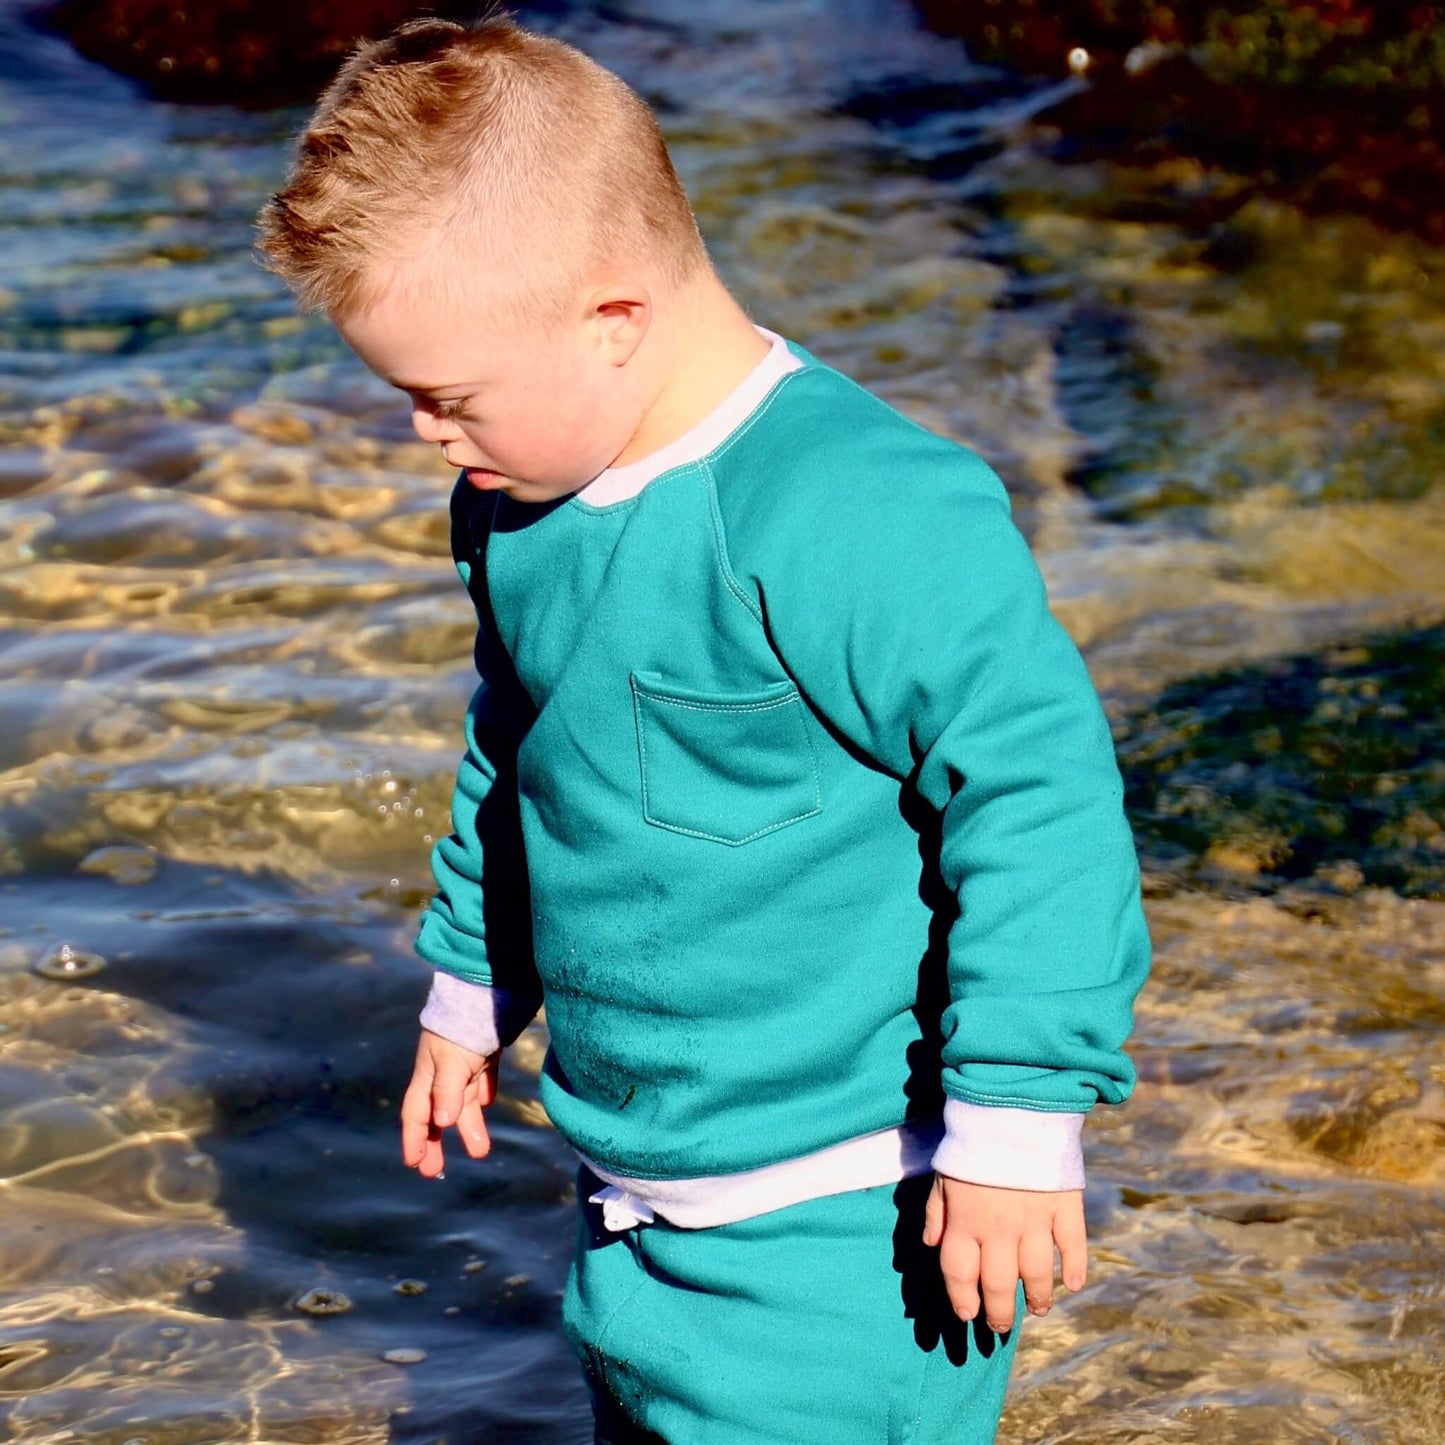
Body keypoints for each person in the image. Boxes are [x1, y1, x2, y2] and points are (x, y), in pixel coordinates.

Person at [256, 14, 1152, 1442]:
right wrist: (473, 984)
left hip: (850, 1212)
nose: (424, 434)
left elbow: (1036, 800)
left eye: (447, 396)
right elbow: (523, 755)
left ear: (611, 317)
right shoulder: (517, 502)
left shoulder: (856, 509)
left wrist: (1015, 1120)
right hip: (633, 1195)